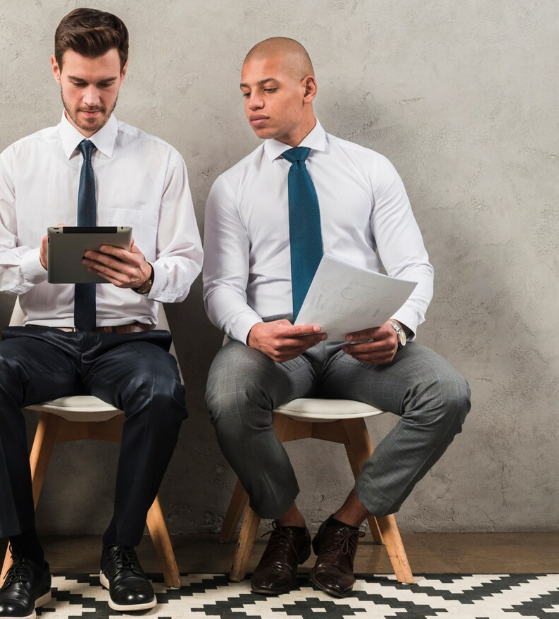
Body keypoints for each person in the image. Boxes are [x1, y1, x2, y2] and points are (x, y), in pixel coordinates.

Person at [203, 38, 471, 598]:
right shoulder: (232, 187)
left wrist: (397, 328)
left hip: (359, 342)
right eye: (246, 92)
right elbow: (220, 287)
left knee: (446, 393)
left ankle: (345, 524)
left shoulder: (370, 169)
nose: (254, 103)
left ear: (309, 88)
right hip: (276, 346)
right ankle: (289, 526)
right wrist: (254, 331)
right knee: (228, 392)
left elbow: (413, 266)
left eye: (268, 88)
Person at [0, 8, 203, 617]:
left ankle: (120, 549)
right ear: (55, 70)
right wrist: (37, 260)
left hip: (130, 339)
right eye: (78, 83)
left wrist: (149, 275)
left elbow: (186, 264)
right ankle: (26, 560)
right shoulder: (19, 161)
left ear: (124, 73)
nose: (91, 99)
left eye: (105, 83)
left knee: (163, 391)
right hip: (43, 338)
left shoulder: (161, 160)